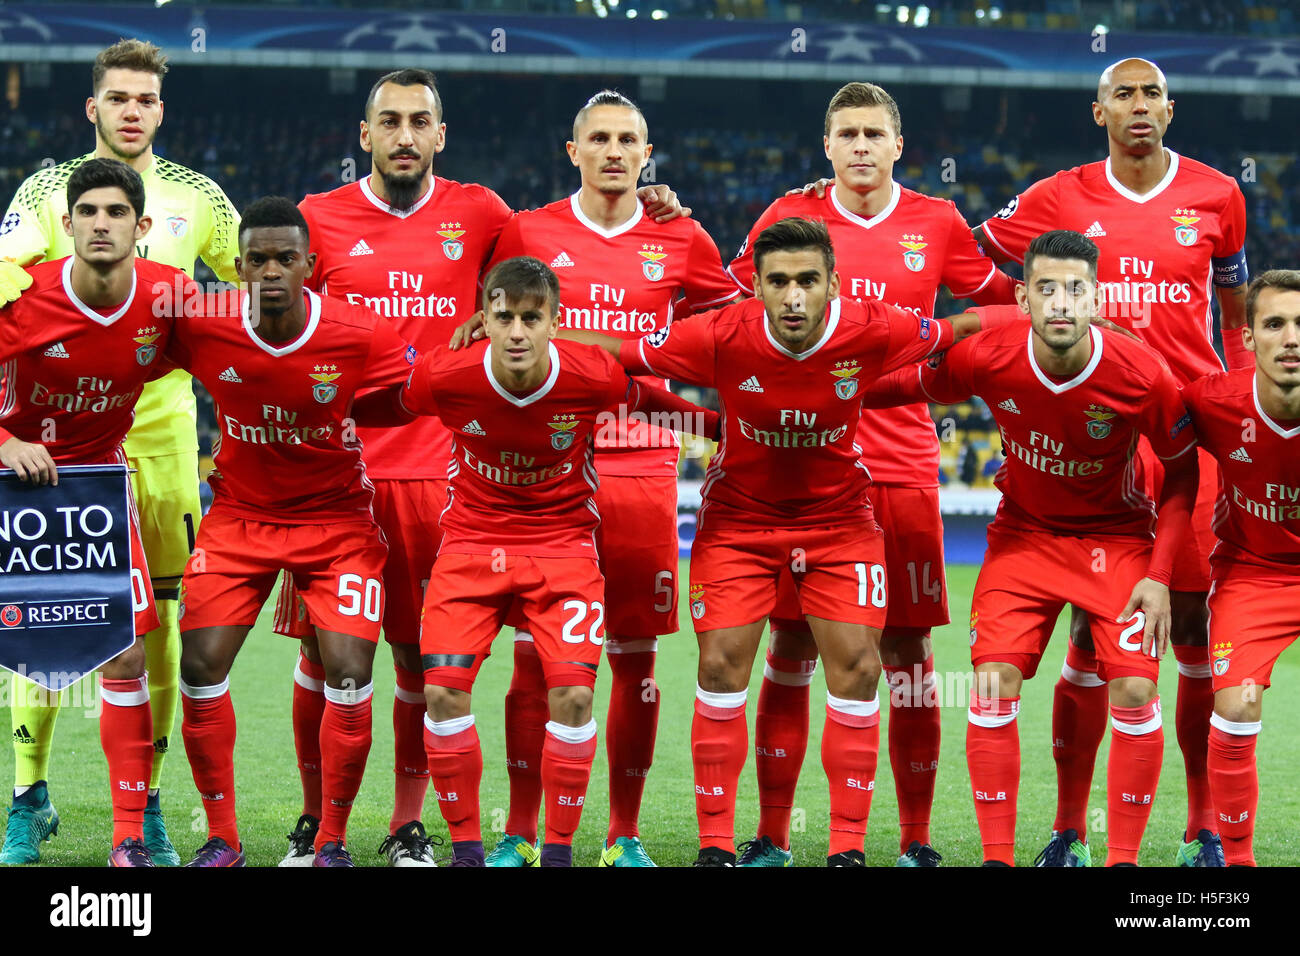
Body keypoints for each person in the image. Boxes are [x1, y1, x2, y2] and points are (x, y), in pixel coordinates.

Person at [271, 70, 688, 867]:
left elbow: (549, 282)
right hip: (336, 476)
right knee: (322, 656)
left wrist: (654, 204)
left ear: (440, 134)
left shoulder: (486, 214)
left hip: (443, 474)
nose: (402, 134)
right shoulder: (317, 219)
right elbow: (280, 328)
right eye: (387, 121)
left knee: (414, 662)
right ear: (365, 135)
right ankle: (313, 821)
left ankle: (407, 825)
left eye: (418, 121)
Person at [553, 217, 994, 866]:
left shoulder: (873, 328)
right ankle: (715, 846)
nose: (794, 296)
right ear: (754, 286)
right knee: (720, 667)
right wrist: (533, 328)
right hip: (739, 526)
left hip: (841, 525)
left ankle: (846, 850)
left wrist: (1071, 321)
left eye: (808, 281)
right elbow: (621, 352)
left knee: (863, 670)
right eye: (779, 281)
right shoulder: (717, 334)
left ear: (833, 284)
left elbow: (961, 328)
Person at [725, 82, 1018, 866]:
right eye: (846, 133)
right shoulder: (789, 222)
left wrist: (960, 371)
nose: (859, 146)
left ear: (898, 144)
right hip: (796, 471)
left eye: (873, 133)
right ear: (827, 146)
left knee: (909, 659)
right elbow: (723, 305)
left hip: (899, 467)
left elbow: (999, 307)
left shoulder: (938, 222)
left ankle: (916, 841)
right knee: (790, 649)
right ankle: (772, 837)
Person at [973, 58, 1248, 866]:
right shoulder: (1057, 197)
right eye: (1122, 94)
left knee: (1196, 638)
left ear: (1171, 107)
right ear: (1098, 111)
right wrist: (850, 203)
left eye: (1150, 94)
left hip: (1187, 444)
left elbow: (1233, 319)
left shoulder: (1218, 197)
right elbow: (975, 264)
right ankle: (1069, 828)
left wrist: (1235, 414)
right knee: (1093, 649)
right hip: (1092, 441)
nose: (1138, 106)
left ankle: (1201, 825)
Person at [356, 256, 716, 867]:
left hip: (563, 547)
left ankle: (556, 853)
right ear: (484, 321)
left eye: (531, 318)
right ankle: (468, 849)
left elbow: (653, 402)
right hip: (470, 546)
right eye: (504, 318)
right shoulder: (449, 375)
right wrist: (321, 410)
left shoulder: (593, 374)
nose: (517, 331)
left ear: (555, 322)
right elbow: (390, 405)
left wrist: (723, 427)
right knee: (441, 691)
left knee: (573, 699)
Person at [863, 229, 1198, 865]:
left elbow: (1183, 473)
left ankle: (1121, 862)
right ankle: (998, 859)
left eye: (1076, 289)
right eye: (1047, 288)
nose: (1062, 303)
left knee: (1133, 691)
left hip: (1116, 541)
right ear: (1023, 297)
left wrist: (1159, 574)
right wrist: (821, 384)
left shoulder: (1141, 374)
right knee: (990, 685)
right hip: (1024, 537)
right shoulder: (990, 354)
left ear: (1097, 298)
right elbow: (906, 387)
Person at [481, 89, 741, 867]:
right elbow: (491, 330)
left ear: (647, 151)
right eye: (599, 138)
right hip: (545, 472)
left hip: (642, 471)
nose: (615, 152)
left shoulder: (681, 235)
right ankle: (522, 833)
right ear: (574, 152)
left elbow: (732, 331)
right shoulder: (529, 231)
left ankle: (622, 835)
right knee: (536, 655)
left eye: (629, 139)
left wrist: (712, 423)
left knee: (635, 657)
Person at [0, 38, 240, 866]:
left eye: (146, 99)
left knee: (162, 618)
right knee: (46, 610)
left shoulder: (198, 195)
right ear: (92, 108)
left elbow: (254, 285)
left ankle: (149, 801)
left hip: (162, 423)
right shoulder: (47, 190)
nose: (132, 110)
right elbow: (15, 286)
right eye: (118, 98)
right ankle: (29, 794)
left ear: (161, 111)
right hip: (55, 429)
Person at [168, 197, 416, 868]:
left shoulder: (358, 334)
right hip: (240, 519)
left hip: (336, 522)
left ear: (311, 264)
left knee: (349, 672)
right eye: (257, 260)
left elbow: (415, 396)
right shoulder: (203, 327)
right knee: (198, 667)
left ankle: (331, 842)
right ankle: (223, 838)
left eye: (285, 258)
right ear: (238, 267)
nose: (271, 271)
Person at [0, 158, 188, 866]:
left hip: (100, 489)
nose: (101, 224)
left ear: (140, 228)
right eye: (88, 212)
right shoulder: (21, 296)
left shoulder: (169, 297)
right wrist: (8, 439)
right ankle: (27, 803)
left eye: (116, 213)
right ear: (67, 224)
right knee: (27, 649)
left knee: (130, 649)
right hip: (16, 489)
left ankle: (131, 833)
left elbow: (235, 351)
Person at [1181, 270, 1300, 866]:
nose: (1291, 339)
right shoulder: (1213, 400)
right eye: (1275, 324)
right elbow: (1147, 418)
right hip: (1254, 571)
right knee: (1234, 705)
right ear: (1247, 338)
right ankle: (1238, 864)